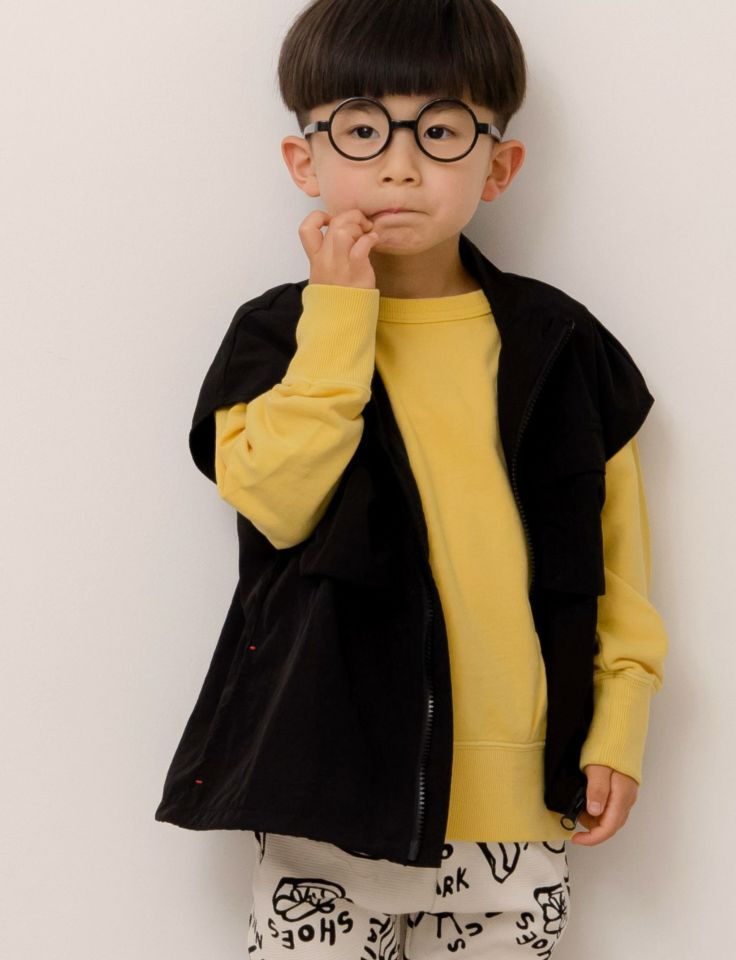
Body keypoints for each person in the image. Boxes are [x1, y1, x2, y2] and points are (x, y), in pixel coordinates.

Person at [155, 1, 669, 956]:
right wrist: (338, 318)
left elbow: (619, 563)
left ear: (498, 166)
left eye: (440, 131)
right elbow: (278, 501)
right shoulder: (276, 336)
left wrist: (620, 724)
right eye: (361, 129)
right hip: (327, 789)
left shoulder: (562, 345)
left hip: (517, 807)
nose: (400, 164)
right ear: (303, 159)